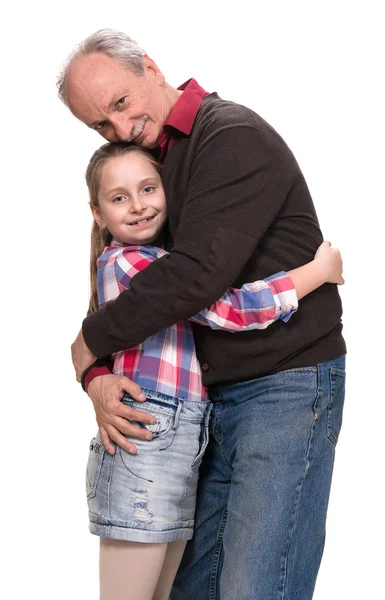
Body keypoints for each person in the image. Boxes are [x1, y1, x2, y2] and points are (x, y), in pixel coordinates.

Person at [58, 29, 347, 599]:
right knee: (195, 590)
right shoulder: (156, 162)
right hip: (203, 407)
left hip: (283, 387)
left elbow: (193, 279)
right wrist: (94, 371)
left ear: (149, 66)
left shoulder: (228, 135)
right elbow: (140, 287)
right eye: (100, 126)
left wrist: (87, 342)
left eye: (120, 103)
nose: (119, 129)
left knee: (257, 585)